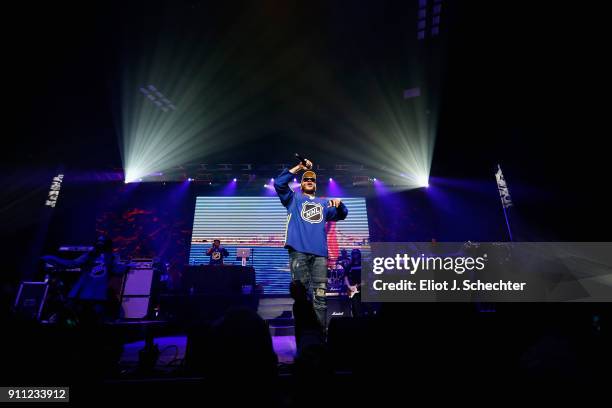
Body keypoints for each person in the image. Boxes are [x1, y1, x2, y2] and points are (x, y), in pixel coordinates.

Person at [274, 157, 348, 329]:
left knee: (321, 298)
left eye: (312, 180)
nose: (309, 181)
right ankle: (305, 340)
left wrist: (340, 204)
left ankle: (320, 339)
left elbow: (342, 214)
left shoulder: (323, 204)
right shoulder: (293, 199)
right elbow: (279, 183)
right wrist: (300, 167)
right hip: (298, 252)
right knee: (301, 298)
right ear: (301, 184)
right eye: (305, 179)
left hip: (320, 256)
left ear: (315, 184)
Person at [41, 235, 130, 324]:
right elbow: (73, 263)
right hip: (84, 289)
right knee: (72, 309)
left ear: (107, 244)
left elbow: (116, 269)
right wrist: (53, 259)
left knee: (99, 313)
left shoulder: (110, 257)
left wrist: (127, 266)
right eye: (99, 241)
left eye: (102, 241)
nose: (100, 243)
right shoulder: (90, 255)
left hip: (99, 291)